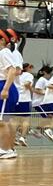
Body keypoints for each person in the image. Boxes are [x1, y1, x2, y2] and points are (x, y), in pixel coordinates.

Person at [0, 30, 19, 158]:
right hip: (6, 86)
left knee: (3, 121)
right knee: (7, 120)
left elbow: (12, 70)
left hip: (5, 86)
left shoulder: (3, 52)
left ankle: (5, 149)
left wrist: (5, 89)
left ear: (2, 40)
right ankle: (9, 149)